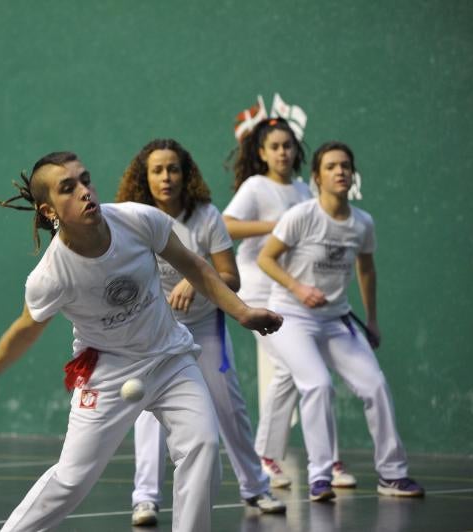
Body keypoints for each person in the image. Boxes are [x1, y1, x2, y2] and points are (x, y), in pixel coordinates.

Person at [0, 151, 283, 532]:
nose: (84, 191)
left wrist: (242, 312)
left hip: (170, 358)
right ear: (49, 210)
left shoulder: (139, 220)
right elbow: (26, 329)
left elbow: (194, 265)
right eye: (68, 188)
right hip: (106, 373)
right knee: (71, 480)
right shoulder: (50, 276)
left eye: (85, 180)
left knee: (203, 448)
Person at [115, 139, 286, 526]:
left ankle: (255, 486)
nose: (166, 177)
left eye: (173, 169)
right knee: (147, 408)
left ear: (185, 174)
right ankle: (145, 498)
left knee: (228, 406)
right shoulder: (133, 218)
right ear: (144, 177)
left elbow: (231, 278)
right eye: (157, 170)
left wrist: (195, 279)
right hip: (155, 331)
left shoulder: (207, 216)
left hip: (206, 326)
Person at [256, 141, 424, 501]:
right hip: (291, 316)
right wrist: (298, 288)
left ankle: (393, 475)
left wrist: (373, 320)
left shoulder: (363, 223)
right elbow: (266, 259)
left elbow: (367, 270)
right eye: (331, 166)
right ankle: (320, 477)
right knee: (318, 385)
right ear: (317, 177)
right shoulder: (301, 216)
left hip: (336, 320)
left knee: (375, 386)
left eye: (345, 165)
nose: (340, 171)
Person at [222, 117, 356, 489]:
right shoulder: (255, 186)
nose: (283, 152)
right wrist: (279, 226)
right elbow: (226, 225)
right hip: (256, 287)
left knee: (301, 371)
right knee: (291, 367)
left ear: (297, 151)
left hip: (291, 292)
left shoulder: (303, 190)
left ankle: (316, 460)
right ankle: (271, 458)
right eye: (275, 147)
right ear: (262, 153)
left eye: (288, 146)